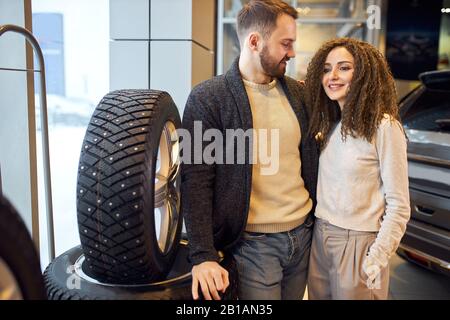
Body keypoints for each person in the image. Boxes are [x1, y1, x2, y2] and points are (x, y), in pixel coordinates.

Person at [181, 0, 319, 300]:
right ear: (254, 41)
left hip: (304, 236)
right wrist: (202, 255)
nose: (292, 53)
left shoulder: (298, 93)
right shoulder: (208, 98)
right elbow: (195, 180)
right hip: (254, 247)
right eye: (286, 43)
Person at [304, 38, 411, 300]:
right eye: (327, 69)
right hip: (321, 236)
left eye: (344, 68)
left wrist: (376, 257)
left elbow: (399, 205)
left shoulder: (384, 126)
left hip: (359, 242)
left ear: (364, 73)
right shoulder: (332, 126)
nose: (333, 76)